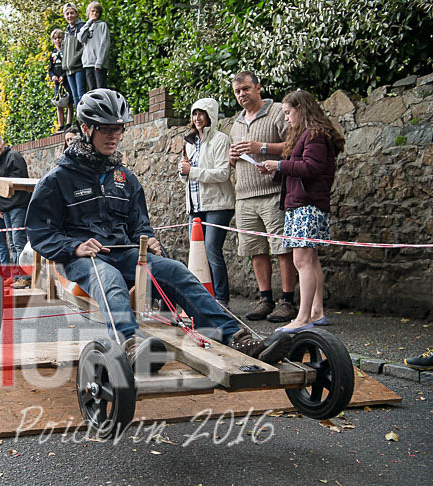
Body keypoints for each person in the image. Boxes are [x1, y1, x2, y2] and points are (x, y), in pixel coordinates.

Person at [26, 88, 291, 363]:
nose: (114, 136)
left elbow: (139, 223)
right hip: (82, 259)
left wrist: (147, 238)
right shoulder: (57, 180)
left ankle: (237, 338)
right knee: (111, 281)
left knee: (176, 271)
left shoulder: (124, 177)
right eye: (106, 129)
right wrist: (74, 246)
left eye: (118, 129)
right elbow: (40, 232)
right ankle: (129, 346)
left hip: (124, 252)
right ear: (85, 128)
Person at [260, 89, 345, 333]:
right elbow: (301, 168)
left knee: (302, 260)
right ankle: (316, 312)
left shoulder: (315, 136)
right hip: (305, 203)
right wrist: (277, 171)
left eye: (288, 112)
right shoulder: (310, 135)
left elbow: (311, 167)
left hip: (307, 205)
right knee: (311, 259)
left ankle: (303, 317)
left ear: (302, 109)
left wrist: (279, 164)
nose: (286, 118)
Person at [228, 71, 298, 323]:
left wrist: (263, 148)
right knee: (255, 250)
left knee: (282, 249)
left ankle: (288, 301)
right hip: (245, 196)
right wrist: (232, 158)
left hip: (273, 192)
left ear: (259, 88)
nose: (241, 94)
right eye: (237, 91)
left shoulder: (278, 111)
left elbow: (294, 145)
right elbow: (232, 160)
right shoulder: (236, 123)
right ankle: (265, 299)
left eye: (246, 89)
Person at [178, 97, 235, 307]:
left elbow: (223, 173)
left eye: (201, 113)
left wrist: (191, 171)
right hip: (195, 205)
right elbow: (185, 173)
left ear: (210, 115)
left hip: (218, 204)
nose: (197, 118)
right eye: (194, 113)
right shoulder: (190, 142)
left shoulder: (221, 139)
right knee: (197, 254)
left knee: (212, 249)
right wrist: (183, 171)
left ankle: (222, 299)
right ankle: (203, 298)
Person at [0, 134, 32, 288]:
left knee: (19, 243)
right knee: (13, 244)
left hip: (17, 206)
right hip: (6, 208)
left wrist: (6, 203)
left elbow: (19, 181)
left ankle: (25, 277)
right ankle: (16, 276)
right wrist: (0, 207)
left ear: (3, 144)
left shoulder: (13, 156)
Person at [78, 2, 110, 90]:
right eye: (92, 11)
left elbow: (105, 44)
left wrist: (99, 62)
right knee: (92, 90)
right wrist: (89, 23)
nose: (94, 13)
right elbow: (81, 38)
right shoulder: (86, 26)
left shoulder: (102, 25)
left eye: (97, 12)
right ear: (88, 13)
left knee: (101, 89)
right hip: (88, 63)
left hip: (99, 64)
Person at [48, 29, 74, 131]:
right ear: (53, 40)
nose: (58, 40)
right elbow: (50, 69)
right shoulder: (52, 54)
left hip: (66, 80)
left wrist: (64, 75)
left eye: (59, 38)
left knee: (69, 102)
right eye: (55, 38)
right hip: (57, 82)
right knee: (58, 103)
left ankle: (68, 123)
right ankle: (61, 125)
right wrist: (53, 76)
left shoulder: (66, 51)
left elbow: (68, 65)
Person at [62, 3, 86, 106]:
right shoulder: (66, 31)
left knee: (81, 94)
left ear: (76, 14)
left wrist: (77, 56)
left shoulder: (81, 27)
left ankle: (86, 119)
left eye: (72, 13)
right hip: (68, 69)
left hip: (78, 66)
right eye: (67, 14)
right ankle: (80, 119)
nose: (69, 16)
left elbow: (85, 45)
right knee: (75, 96)